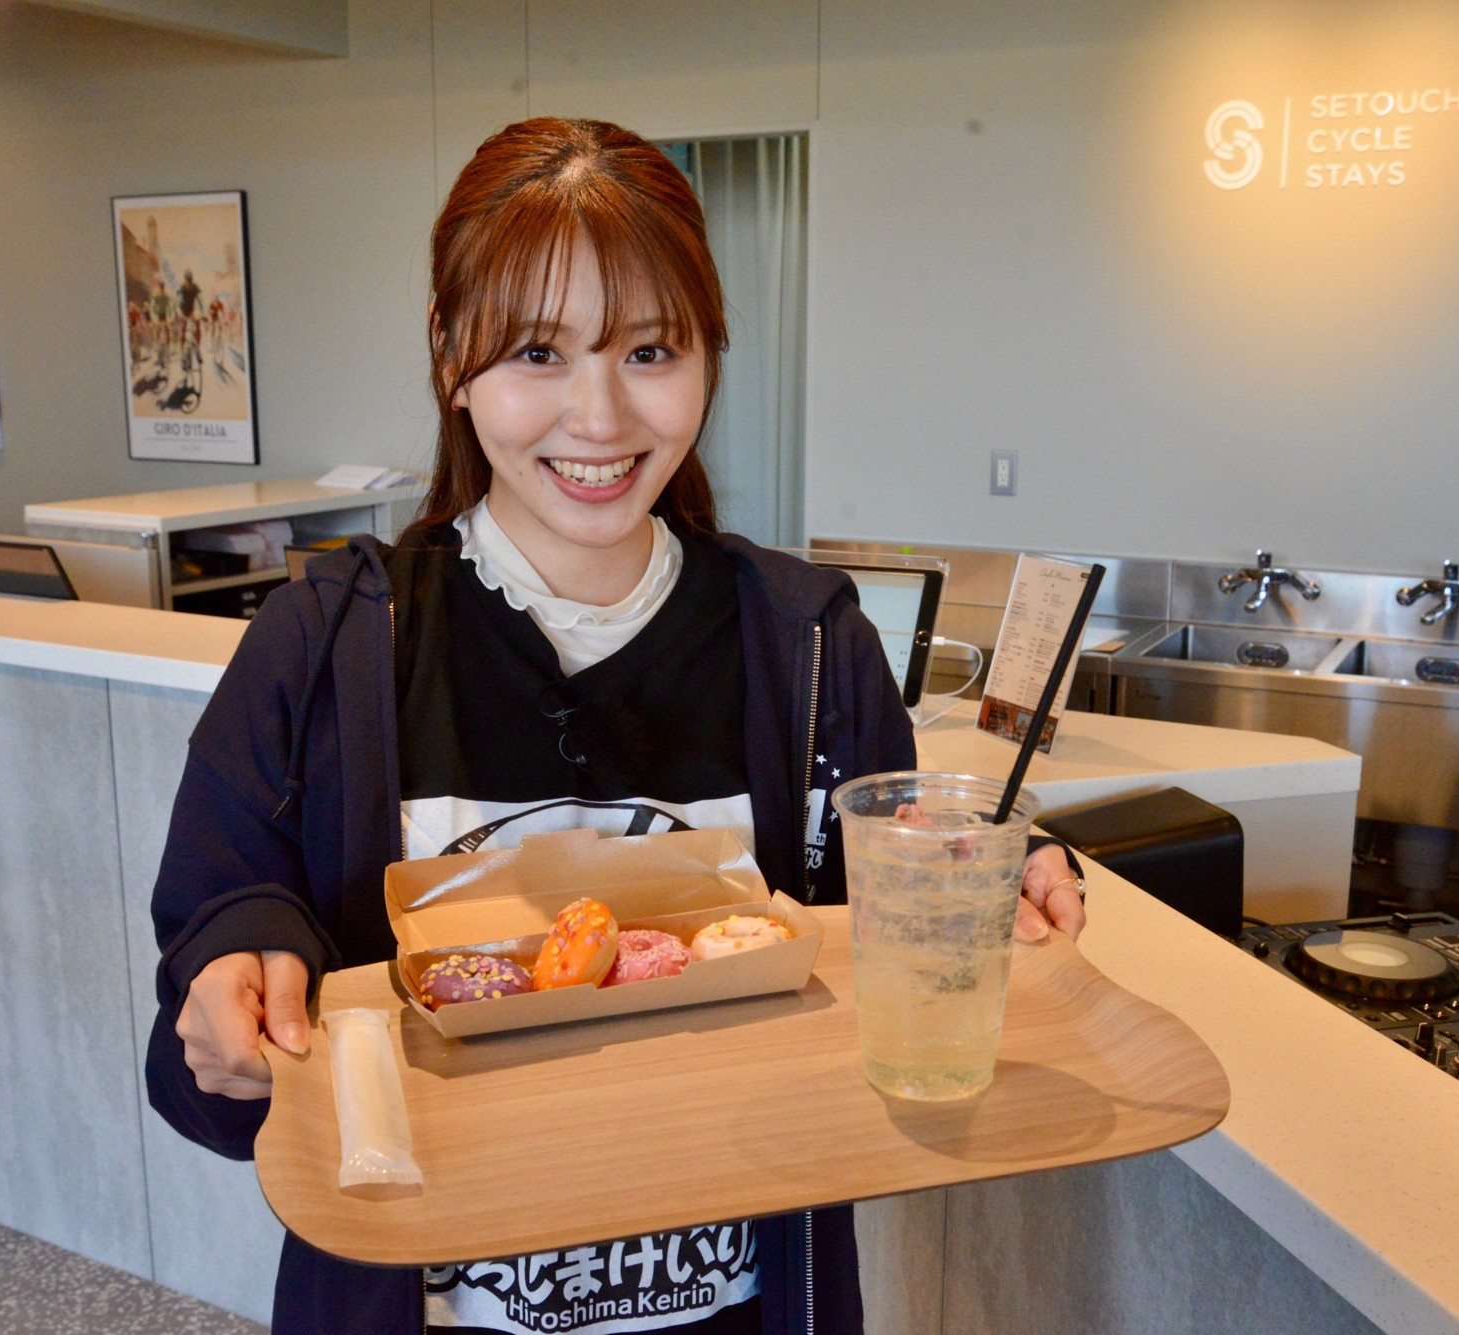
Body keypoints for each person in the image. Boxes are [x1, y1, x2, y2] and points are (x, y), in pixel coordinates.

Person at [145, 117, 1086, 1335]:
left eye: (649, 350)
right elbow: (209, 1011)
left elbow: (885, 926)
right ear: (450, 355)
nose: (598, 417)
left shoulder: (805, 646)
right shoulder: (325, 646)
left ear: (707, 356)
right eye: (537, 352)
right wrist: (240, 973)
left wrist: (984, 878)